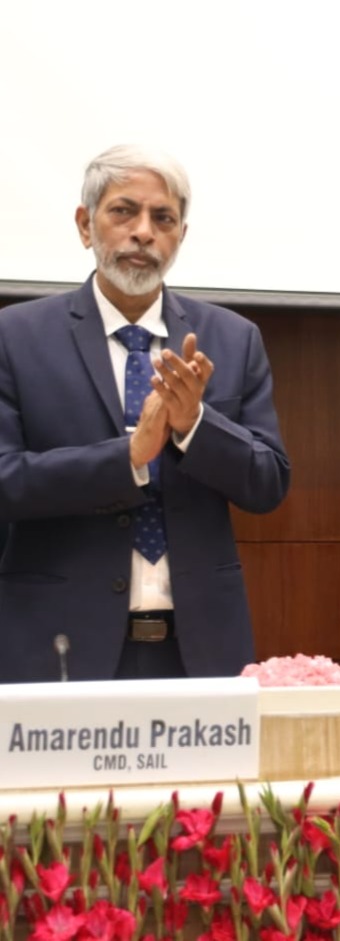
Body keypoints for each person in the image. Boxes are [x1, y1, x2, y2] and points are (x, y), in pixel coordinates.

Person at [0, 145, 291, 683]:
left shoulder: (232, 339)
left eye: (163, 218)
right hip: (58, 645)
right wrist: (128, 458)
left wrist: (195, 426)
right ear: (85, 225)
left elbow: (268, 483)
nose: (143, 232)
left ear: (181, 235)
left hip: (199, 650)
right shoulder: (15, 337)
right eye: (123, 212)